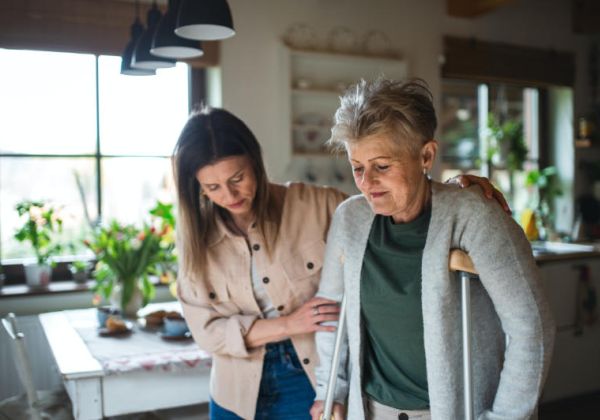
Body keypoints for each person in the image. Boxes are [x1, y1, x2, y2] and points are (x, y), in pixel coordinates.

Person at [172, 107, 508, 419]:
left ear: (255, 162)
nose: (229, 195)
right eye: (212, 187)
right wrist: (291, 324)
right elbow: (206, 332)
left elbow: (391, 206)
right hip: (235, 391)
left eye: (237, 178)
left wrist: (447, 192)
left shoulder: (320, 205)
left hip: (310, 378)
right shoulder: (194, 241)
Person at [310, 78, 555, 420]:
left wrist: (506, 417)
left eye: (382, 166)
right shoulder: (349, 218)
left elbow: (531, 326)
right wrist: (330, 392)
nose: (367, 182)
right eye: (357, 168)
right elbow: (330, 317)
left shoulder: (475, 216)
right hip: (368, 410)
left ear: (425, 155)